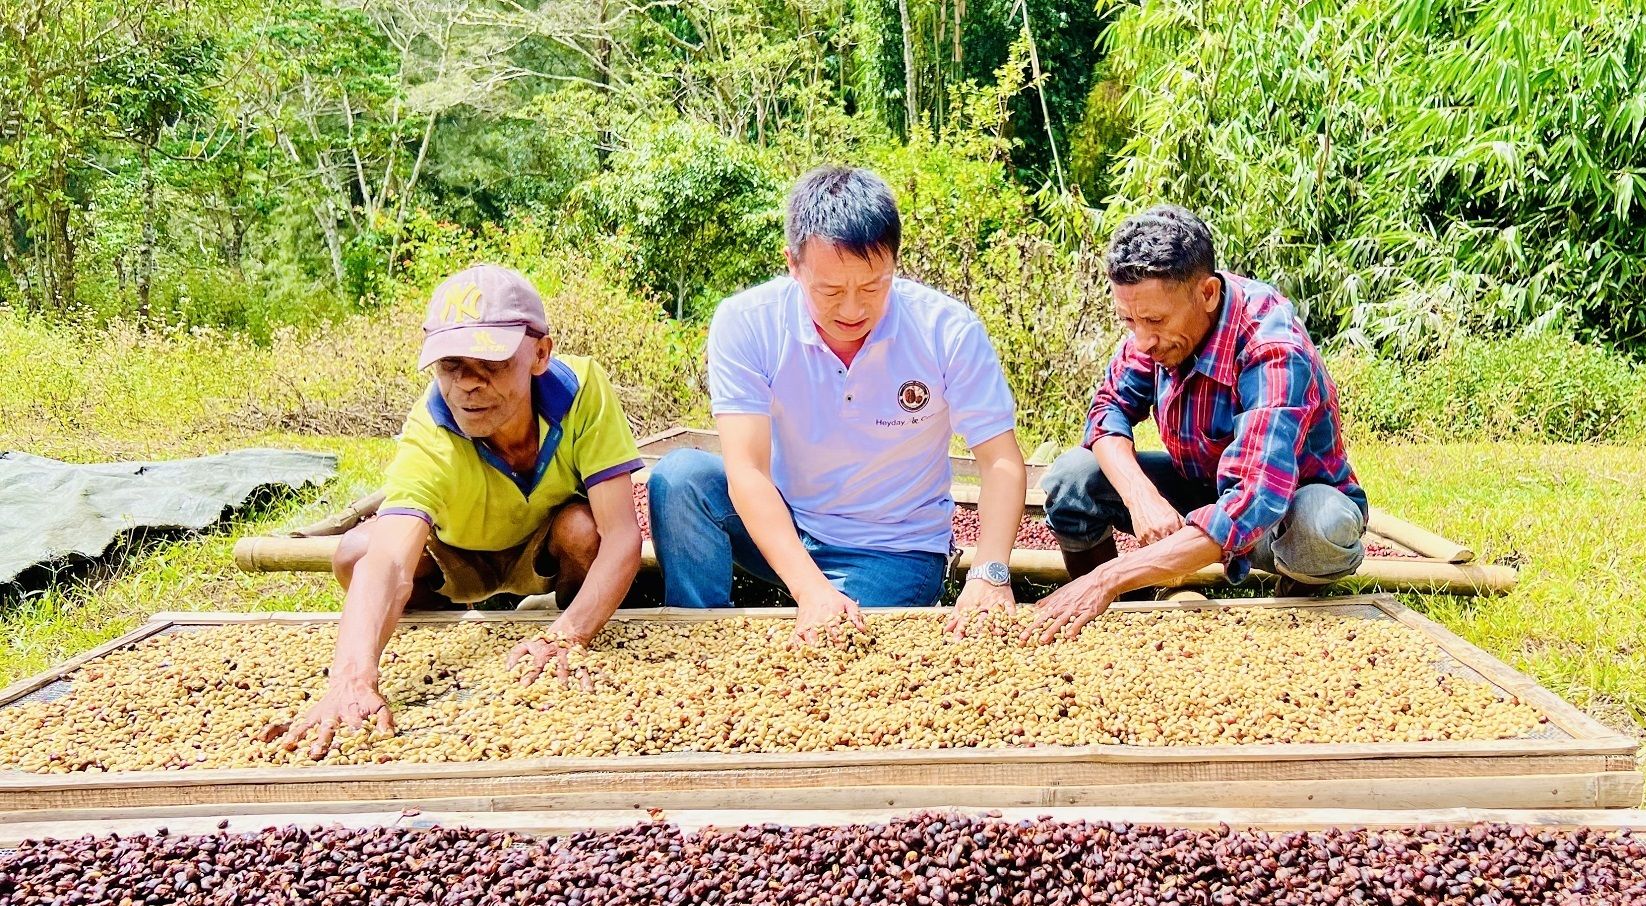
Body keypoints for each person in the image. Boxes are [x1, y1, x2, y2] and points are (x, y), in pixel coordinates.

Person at [270, 264, 645, 754]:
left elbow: (622, 535)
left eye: (489, 365)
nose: (468, 385)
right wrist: (350, 680)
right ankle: (455, 616)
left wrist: (566, 638)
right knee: (355, 554)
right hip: (459, 556)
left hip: (541, 549)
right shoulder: (431, 430)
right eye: (451, 366)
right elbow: (387, 562)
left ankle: (564, 613)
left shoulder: (582, 392)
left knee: (584, 531)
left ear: (540, 354)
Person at [649, 166, 1027, 644]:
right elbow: (747, 470)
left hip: (893, 548)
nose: (852, 310)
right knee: (680, 479)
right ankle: (702, 641)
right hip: (787, 520)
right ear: (793, 264)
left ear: (894, 262)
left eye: (873, 287)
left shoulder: (947, 331)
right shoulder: (747, 323)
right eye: (830, 291)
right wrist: (810, 589)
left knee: (846, 651)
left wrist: (990, 572)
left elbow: (1001, 463)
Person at [1031, 205, 1368, 643]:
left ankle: (1291, 620)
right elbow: (1108, 410)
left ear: (1207, 294)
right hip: (1203, 483)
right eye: (1128, 321)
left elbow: (1251, 499)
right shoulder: (1154, 330)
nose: (1141, 339)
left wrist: (1110, 576)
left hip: (1281, 510)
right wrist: (1141, 497)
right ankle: (1112, 626)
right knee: (1072, 477)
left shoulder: (1272, 346)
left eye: (1153, 321)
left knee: (1325, 526)